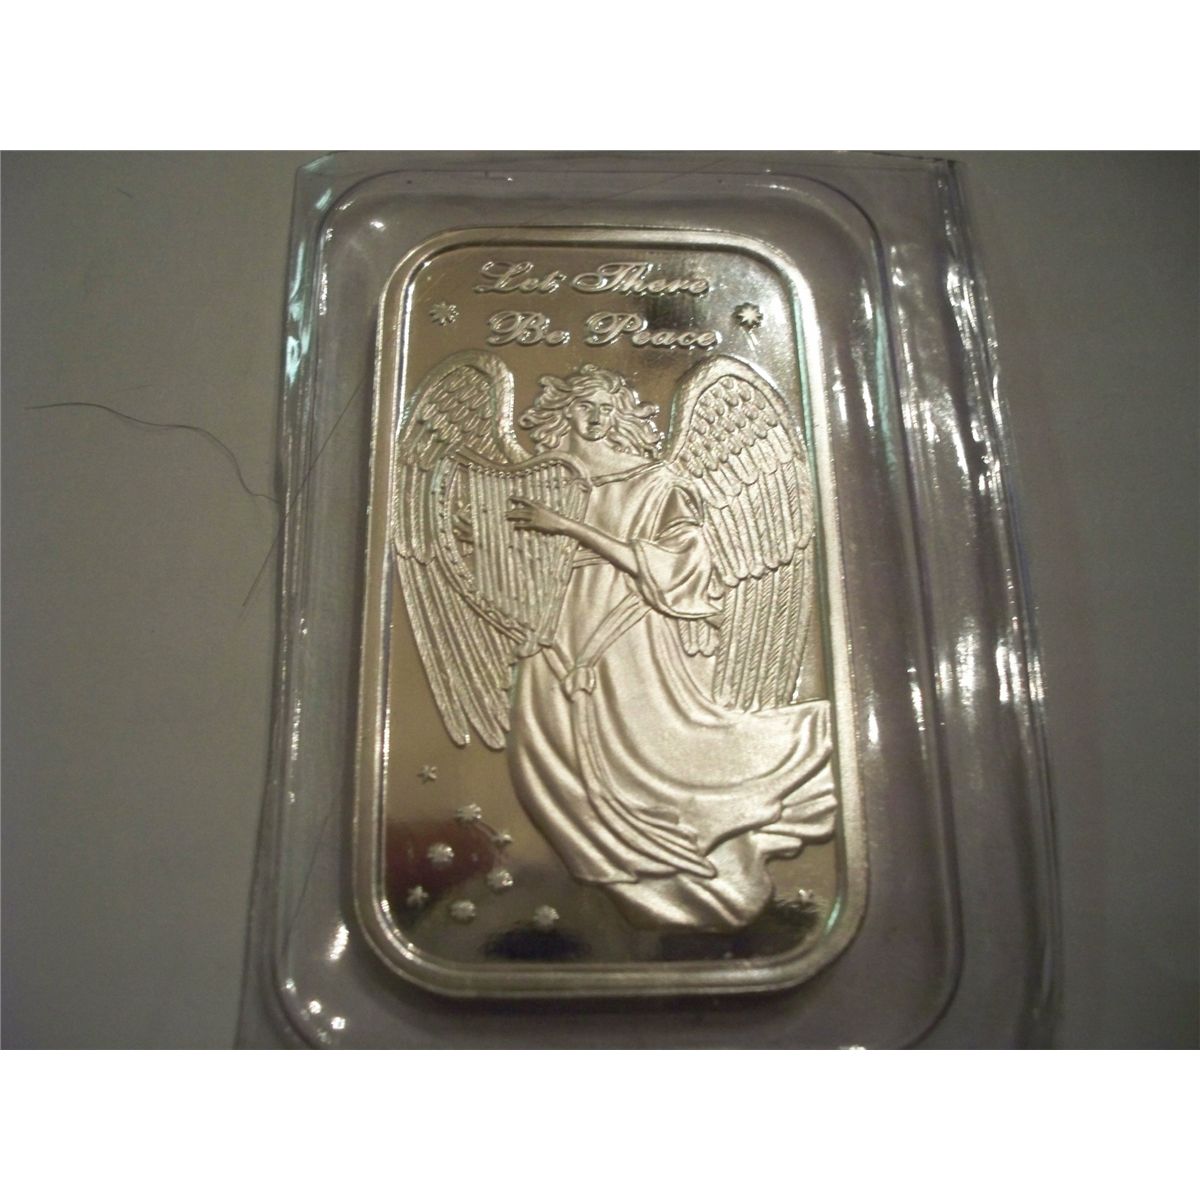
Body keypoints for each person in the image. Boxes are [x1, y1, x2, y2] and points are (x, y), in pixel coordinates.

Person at [505, 365, 835, 931]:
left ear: (621, 416)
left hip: (624, 637)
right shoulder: (544, 481)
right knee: (550, 757)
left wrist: (568, 528)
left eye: (607, 406)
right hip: (553, 639)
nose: (596, 417)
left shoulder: (656, 483)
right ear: (564, 412)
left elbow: (682, 565)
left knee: (650, 750)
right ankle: (633, 877)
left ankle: (701, 867)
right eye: (585, 405)